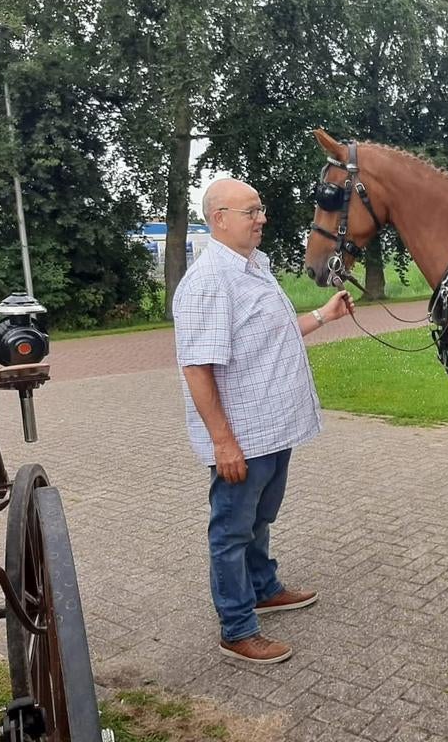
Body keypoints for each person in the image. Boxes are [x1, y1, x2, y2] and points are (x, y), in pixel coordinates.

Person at [173, 178, 354, 665]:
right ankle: (237, 628)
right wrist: (222, 442)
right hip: (242, 437)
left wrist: (324, 315)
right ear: (219, 219)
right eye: (251, 211)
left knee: (259, 517)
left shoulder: (253, 266)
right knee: (231, 531)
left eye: (260, 209)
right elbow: (197, 367)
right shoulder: (209, 281)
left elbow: (275, 334)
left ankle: (263, 588)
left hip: (274, 427)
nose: (262, 219)